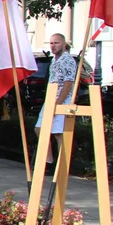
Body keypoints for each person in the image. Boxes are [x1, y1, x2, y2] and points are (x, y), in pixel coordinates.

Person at [35, 33, 77, 167]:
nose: (53, 46)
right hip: (50, 97)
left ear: (64, 44)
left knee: (58, 133)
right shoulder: (54, 60)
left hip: (62, 99)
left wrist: (58, 103)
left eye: (56, 43)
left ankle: (62, 165)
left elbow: (68, 83)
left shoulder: (68, 60)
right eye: (51, 43)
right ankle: (49, 161)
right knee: (39, 128)